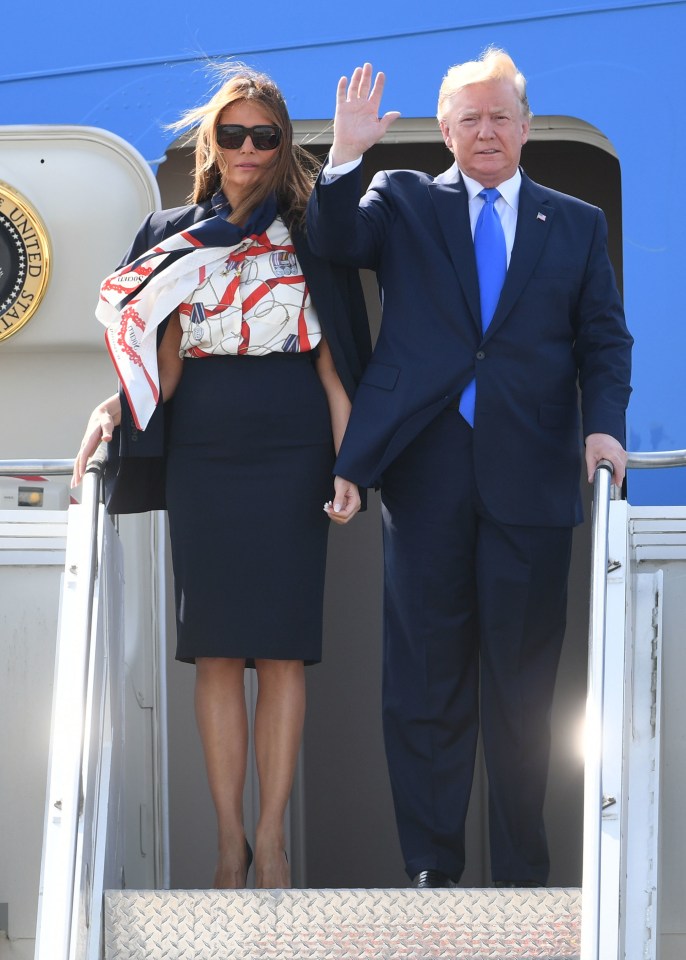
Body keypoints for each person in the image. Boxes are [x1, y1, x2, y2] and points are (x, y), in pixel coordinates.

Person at [306, 49, 633, 888]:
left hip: (532, 477)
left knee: (525, 695)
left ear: (526, 127)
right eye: (469, 118)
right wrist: (343, 156)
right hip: (427, 474)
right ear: (444, 128)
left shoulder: (578, 222)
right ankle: (431, 870)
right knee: (424, 685)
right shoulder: (402, 198)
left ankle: (523, 874)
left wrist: (604, 430)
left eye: (501, 116)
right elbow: (335, 241)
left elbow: (603, 340)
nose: (486, 131)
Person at [72, 63, 371, 890]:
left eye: (264, 135)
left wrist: (355, 464)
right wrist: (109, 411)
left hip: (293, 445)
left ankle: (273, 843)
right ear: (214, 142)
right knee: (213, 653)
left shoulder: (310, 233)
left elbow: (331, 364)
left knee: (279, 653)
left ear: (281, 146)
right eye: (232, 134)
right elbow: (155, 368)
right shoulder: (171, 232)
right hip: (204, 446)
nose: (247, 148)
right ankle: (227, 844)